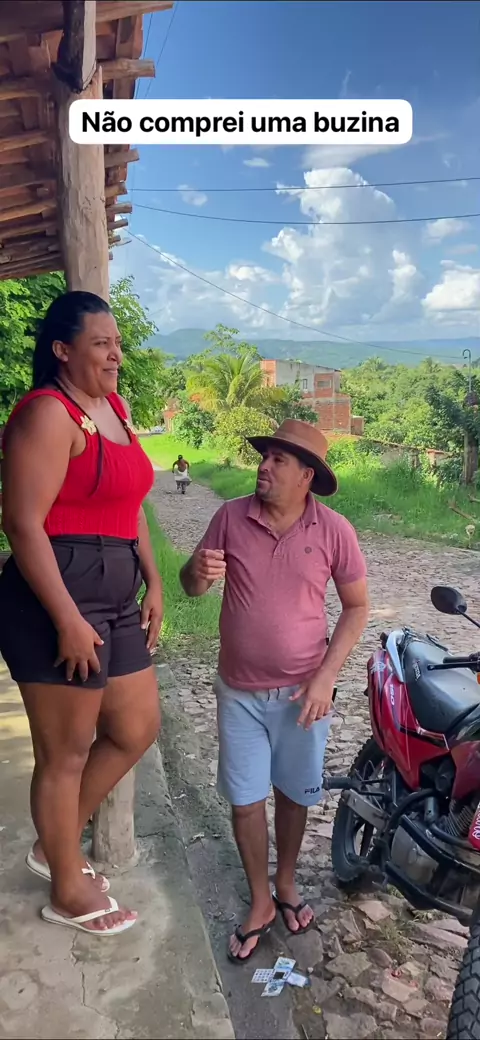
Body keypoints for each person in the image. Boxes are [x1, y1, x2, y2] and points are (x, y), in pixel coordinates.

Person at [0, 291, 163, 936]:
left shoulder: (114, 409)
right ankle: (67, 889)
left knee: (136, 726)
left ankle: (56, 843)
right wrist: (67, 619)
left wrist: (154, 580)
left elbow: (131, 503)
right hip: (54, 600)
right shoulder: (48, 414)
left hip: (116, 597)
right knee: (64, 752)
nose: (115, 354)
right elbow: (22, 524)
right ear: (63, 350)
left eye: (117, 342)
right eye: (101, 343)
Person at [180, 418, 369, 962]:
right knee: (245, 801)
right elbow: (192, 587)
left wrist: (326, 676)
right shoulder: (229, 517)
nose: (263, 466)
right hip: (238, 692)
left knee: (292, 793)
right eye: (264, 457)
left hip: (301, 697)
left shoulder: (334, 531)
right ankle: (260, 899)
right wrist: (197, 571)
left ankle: (285, 882)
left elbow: (357, 608)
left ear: (307, 475)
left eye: (278, 460)